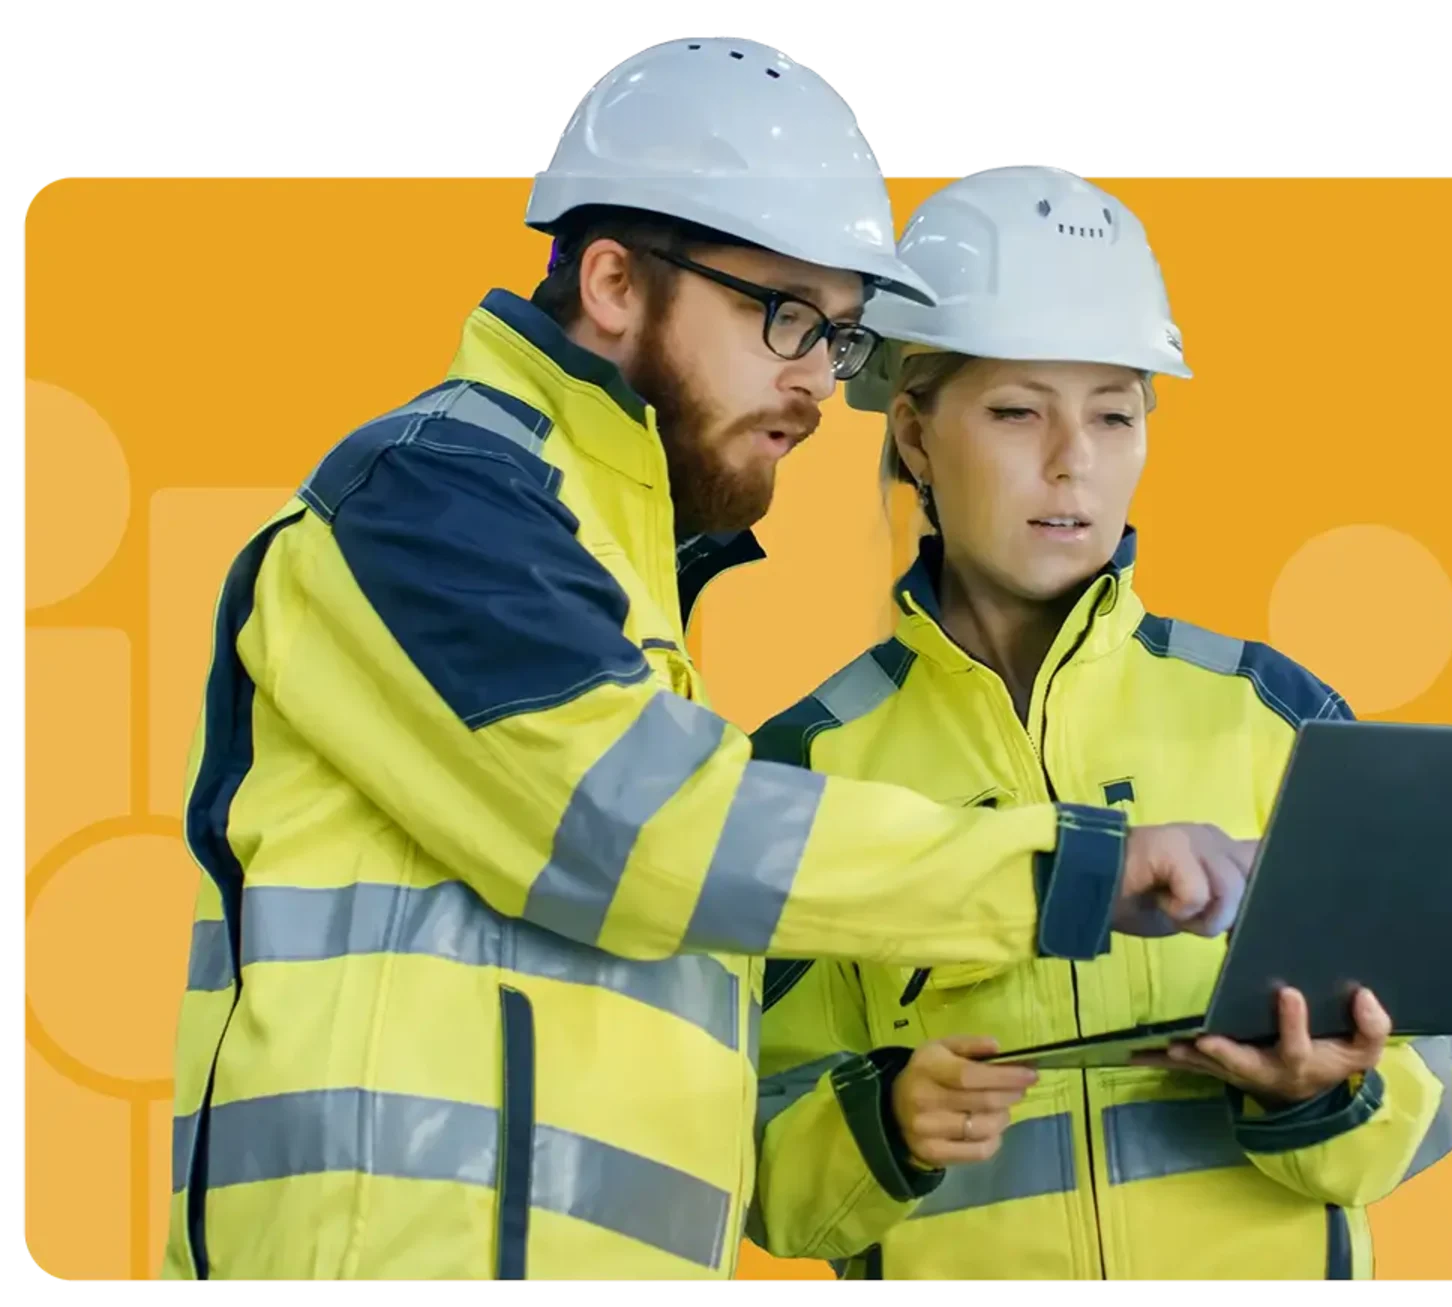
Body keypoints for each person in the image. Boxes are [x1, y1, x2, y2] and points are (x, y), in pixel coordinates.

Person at [159, 43, 1259, 1286]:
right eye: (781, 314)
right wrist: (1070, 868)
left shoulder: (620, 573)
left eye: (837, 337)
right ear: (618, 283)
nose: (808, 382)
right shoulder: (435, 498)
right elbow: (636, 829)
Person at [746, 165, 1452, 1284]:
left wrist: (1323, 1088)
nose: (1073, 459)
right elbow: (752, 1149)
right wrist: (881, 1117)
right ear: (919, 438)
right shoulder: (802, 766)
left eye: (1115, 412)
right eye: (1019, 410)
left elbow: (1426, 1096)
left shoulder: (1276, 713)